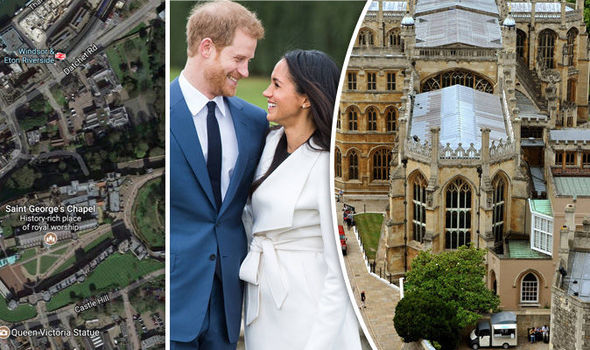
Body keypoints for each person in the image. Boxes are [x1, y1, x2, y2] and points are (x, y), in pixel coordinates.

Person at [239, 50, 361, 350]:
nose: (266, 92)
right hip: (263, 301)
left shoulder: (325, 166)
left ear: (306, 98)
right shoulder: (269, 143)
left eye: (277, 85)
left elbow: (339, 275)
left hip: (307, 308)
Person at [169, 1, 266, 349]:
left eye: (248, 61)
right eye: (238, 59)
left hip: (227, 305)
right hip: (171, 300)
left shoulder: (255, 123)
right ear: (206, 47)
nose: (244, 71)